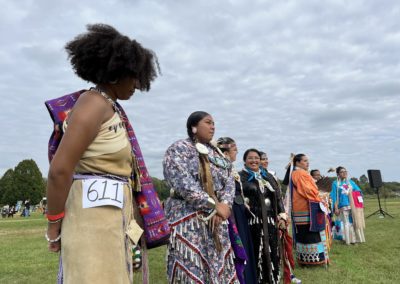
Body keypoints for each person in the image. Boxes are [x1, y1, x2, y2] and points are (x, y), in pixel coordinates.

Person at [45, 24, 159, 283]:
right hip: (91, 224)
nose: (139, 85)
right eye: (135, 76)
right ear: (117, 73)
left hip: (113, 221)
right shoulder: (93, 103)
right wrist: (54, 226)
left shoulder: (111, 107)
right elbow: (60, 170)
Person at [163, 111, 238, 283]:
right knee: (190, 266)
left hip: (217, 221)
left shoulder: (218, 155)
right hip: (188, 219)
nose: (213, 126)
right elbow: (181, 180)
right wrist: (212, 205)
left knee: (220, 266)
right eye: (208, 122)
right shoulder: (179, 148)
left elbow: (230, 181)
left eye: (213, 123)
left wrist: (224, 206)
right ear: (193, 127)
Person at [239, 149, 285, 283]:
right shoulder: (240, 177)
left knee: (272, 250)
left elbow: (277, 196)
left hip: (270, 221)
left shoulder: (268, 176)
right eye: (250, 158)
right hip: (252, 222)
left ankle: (271, 279)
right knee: (255, 251)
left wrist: (281, 216)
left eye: (256, 158)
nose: (254, 161)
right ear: (245, 161)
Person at [217, 137, 256, 284]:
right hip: (230, 212)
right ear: (225, 152)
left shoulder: (230, 168)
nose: (236, 153)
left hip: (239, 211)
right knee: (235, 246)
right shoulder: (220, 167)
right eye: (234, 150)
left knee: (244, 243)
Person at [284, 154, 329, 266]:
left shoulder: (298, 173)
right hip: (306, 208)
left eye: (307, 161)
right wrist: (320, 197)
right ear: (298, 162)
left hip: (304, 207)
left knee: (305, 234)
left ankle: (307, 259)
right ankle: (311, 261)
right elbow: (307, 190)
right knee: (309, 234)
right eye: (304, 161)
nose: (307, 163)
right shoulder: (299, 173)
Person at [331, 166, 365, 244]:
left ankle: (356, 239)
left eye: (345, 171)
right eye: (342, 172)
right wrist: (335, 208)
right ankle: (348, 240)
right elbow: (334, 196)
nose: (344, 173)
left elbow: (359, 192)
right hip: (343, 205)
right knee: (346, 222)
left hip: (353, 205)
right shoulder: (335, 183)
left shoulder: (350, 182)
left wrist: (360, 203)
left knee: (354, 222)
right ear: (338, 174)